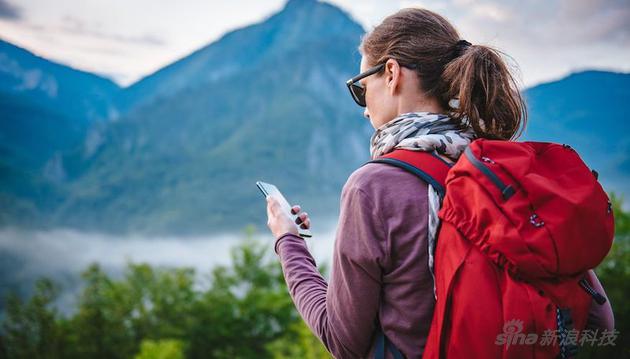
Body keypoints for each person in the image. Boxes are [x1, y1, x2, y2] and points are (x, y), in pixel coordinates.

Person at [265, 7, 614, 359]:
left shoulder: (373, 188)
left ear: (391, 74)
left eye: (360, 88)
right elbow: (600, 320)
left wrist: (289, 243)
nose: (363, 107)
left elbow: (343, 341)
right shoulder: (506, 175)